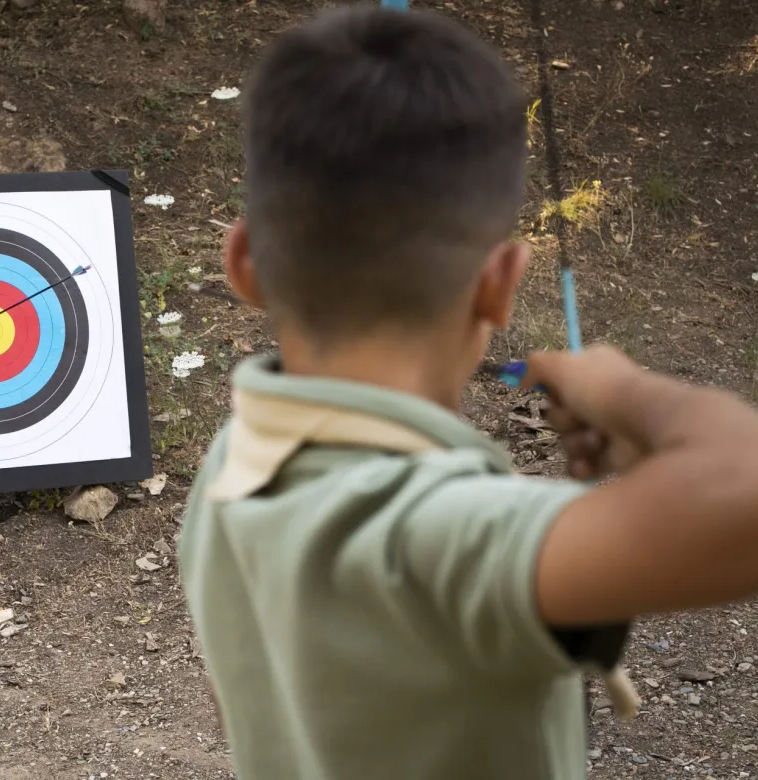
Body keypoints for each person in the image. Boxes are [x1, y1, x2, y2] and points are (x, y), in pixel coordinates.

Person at [177, 6, 758, 779]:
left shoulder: (230, 465)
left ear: (243, 264)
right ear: (499, 285)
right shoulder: (442, 534)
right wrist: (627, 390)